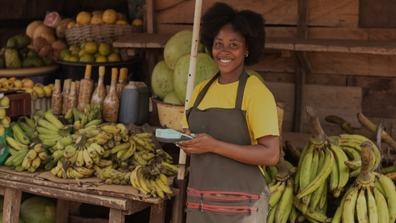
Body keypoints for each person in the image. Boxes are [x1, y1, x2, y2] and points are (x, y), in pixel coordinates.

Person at [176, 2, 281, 223]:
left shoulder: (257, 93)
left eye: (234, 45)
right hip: (200, 207)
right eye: (218, 44)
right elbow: (196, 140)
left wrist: (214, 145)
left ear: (247, 49)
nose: (224, 52)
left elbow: (271, 154)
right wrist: (187, 141)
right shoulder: (199, 91)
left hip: (242, 210)